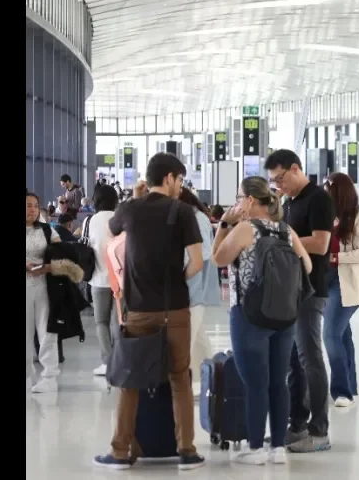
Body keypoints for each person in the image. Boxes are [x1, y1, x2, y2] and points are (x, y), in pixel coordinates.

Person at [93, 152, 205, 471]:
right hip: (175, 311)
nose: (180, 186)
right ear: (169, 178)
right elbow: (196, 263)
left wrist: (136, 199)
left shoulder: (129, 209)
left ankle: (119, 451)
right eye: (179, 180)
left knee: (131, 381)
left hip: (138, 312)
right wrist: (174, 280)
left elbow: (115, 235)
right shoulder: (182, 212)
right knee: (180, 378)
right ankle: (186, 451)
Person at [212, 176, 312, 465]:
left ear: (251, 201)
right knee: (278, 382)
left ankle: (255, 448)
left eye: (240, 197)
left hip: (249, 314)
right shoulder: (285, 230)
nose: (238, 202)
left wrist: (224, 225)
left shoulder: (245, 228)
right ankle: (277, 447)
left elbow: (218, 259)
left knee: (255, 383)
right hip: (284, 315)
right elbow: (306, 264)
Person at [265, 149, 335, 453]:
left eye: (280, 178)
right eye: (273, 182)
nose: (279, 185)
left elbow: (320, 243)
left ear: (295, 169)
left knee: (310, 358)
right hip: (291, 289)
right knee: (294, 361)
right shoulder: (291, 201)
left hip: (311, 290)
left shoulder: (319, 198)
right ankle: (297, 424)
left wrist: (281, 238)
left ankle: (320, 431)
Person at [323, 173, 359, 407]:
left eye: (328, 189)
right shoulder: (326, 218)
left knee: (330, 335)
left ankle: (341, 391)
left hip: (346, 285)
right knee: (343, 335)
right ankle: (350, 385)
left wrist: (336, 257)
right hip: (325, 282)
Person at [178, 188, 222, 382]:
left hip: (193, 288)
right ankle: (214, 380)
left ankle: (189, 383)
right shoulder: (196, 218)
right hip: (193, 288)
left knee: (185, 341)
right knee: (198, 340)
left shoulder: (196, 220)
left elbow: (201, 256)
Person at [26, 192, 62, 393]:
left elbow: (61, 254)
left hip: (44, 287)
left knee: (46, 331)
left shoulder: (48, 231)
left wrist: (49, 266)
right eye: (27, 205)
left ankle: (49, 376)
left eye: (34, 205)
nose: (31, 209)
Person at [82, 184, 119, 377]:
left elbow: (85, 244)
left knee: (101, 322)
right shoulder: (119, 219)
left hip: (97, 278)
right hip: (119, 280)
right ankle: (120, 361)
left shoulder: (90, 221)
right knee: (117, 322)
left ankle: (107, 362)